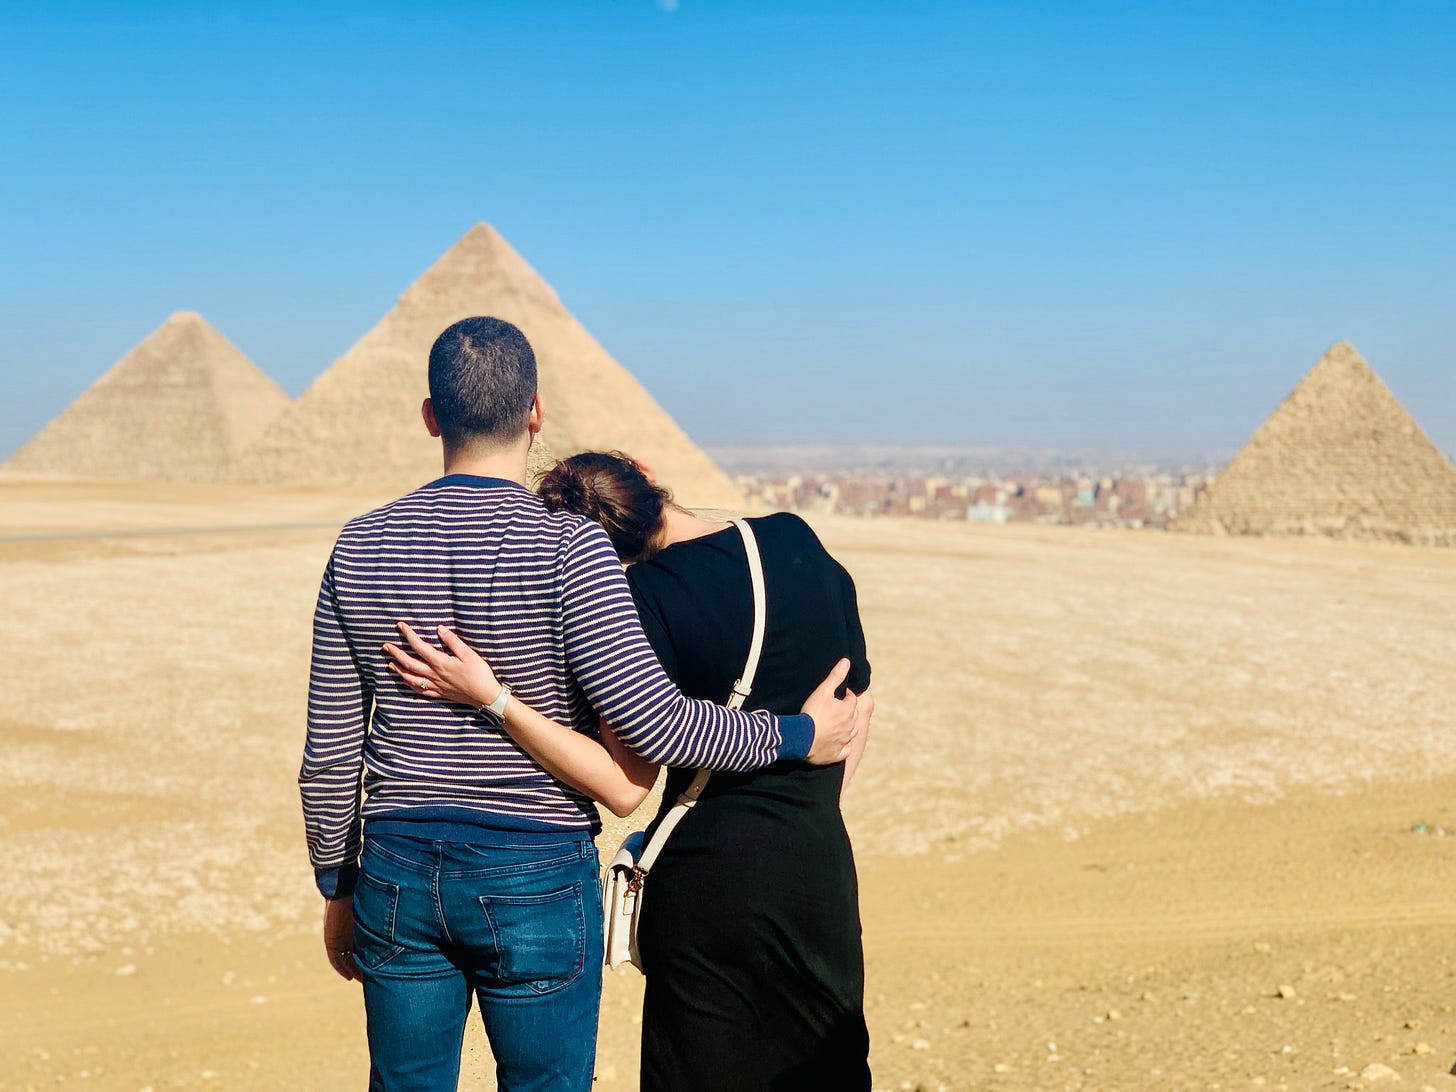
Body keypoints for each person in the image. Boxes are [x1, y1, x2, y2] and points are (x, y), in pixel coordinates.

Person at [299, 317, 861, 1092]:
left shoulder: (359, 545)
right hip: (533, 868)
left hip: (396, 869)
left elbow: (329, 754)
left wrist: (339, 888)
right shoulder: (571, 546)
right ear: (535, 412)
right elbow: (658, 724)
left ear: (430, 416)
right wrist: (799, 734)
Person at [384, 450, 875, 1091]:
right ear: (645, 473)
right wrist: (807, 800)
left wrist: (495, 699)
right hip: (816, 866)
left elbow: (624, 785)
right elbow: (857, 706)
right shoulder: (793, 537)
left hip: (705, 879)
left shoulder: (637, 600)